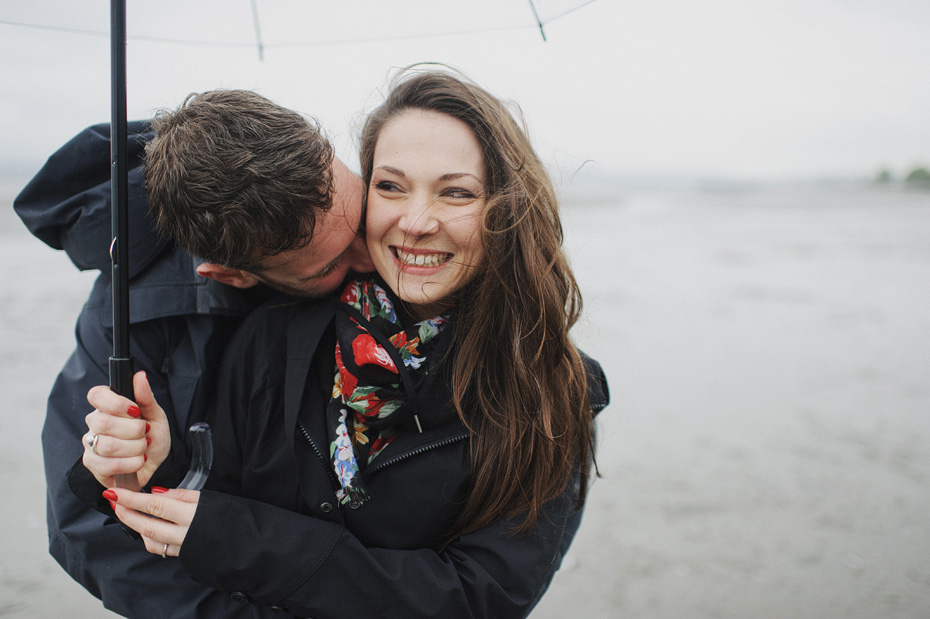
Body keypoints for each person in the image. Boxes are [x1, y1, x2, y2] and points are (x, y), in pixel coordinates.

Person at [76, 70, 610, 618]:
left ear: (510, 210)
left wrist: (251, 543)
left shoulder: (552, 393)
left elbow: (480, 601)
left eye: (456, 192)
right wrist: (159, 467)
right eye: (391, 186)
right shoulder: (274, 334)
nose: (416, 222)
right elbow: (206, 512)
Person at [15, 90, 372, 618]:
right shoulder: (128, 319)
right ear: (232, 276)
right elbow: (87, 528)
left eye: (363, 213)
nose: (372, 254)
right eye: (330, 264)